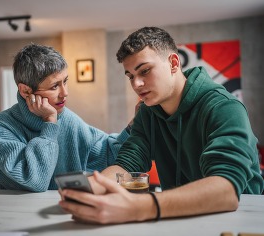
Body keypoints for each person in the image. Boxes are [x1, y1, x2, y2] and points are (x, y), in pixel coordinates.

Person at [59, 26, 264, 224]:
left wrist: (140, 207)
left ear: (174, 63)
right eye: (130, 76)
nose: (136, 84)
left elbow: (226, 191)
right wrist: (95, 186)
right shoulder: (147, 113)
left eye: (145, 71)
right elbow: (127, 165)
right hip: (180, 218)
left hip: (238, 221)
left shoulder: (224, 107)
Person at [0, 44, 133, 192]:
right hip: (13, 213)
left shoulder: (68, 119)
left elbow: (108, 153)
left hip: (62, 210)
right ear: (25, 91)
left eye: (65, 81)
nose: (65, 93)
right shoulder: (0, 125)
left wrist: (133, 127)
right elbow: (33, 181)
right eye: (54, 86)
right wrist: (49, 123)